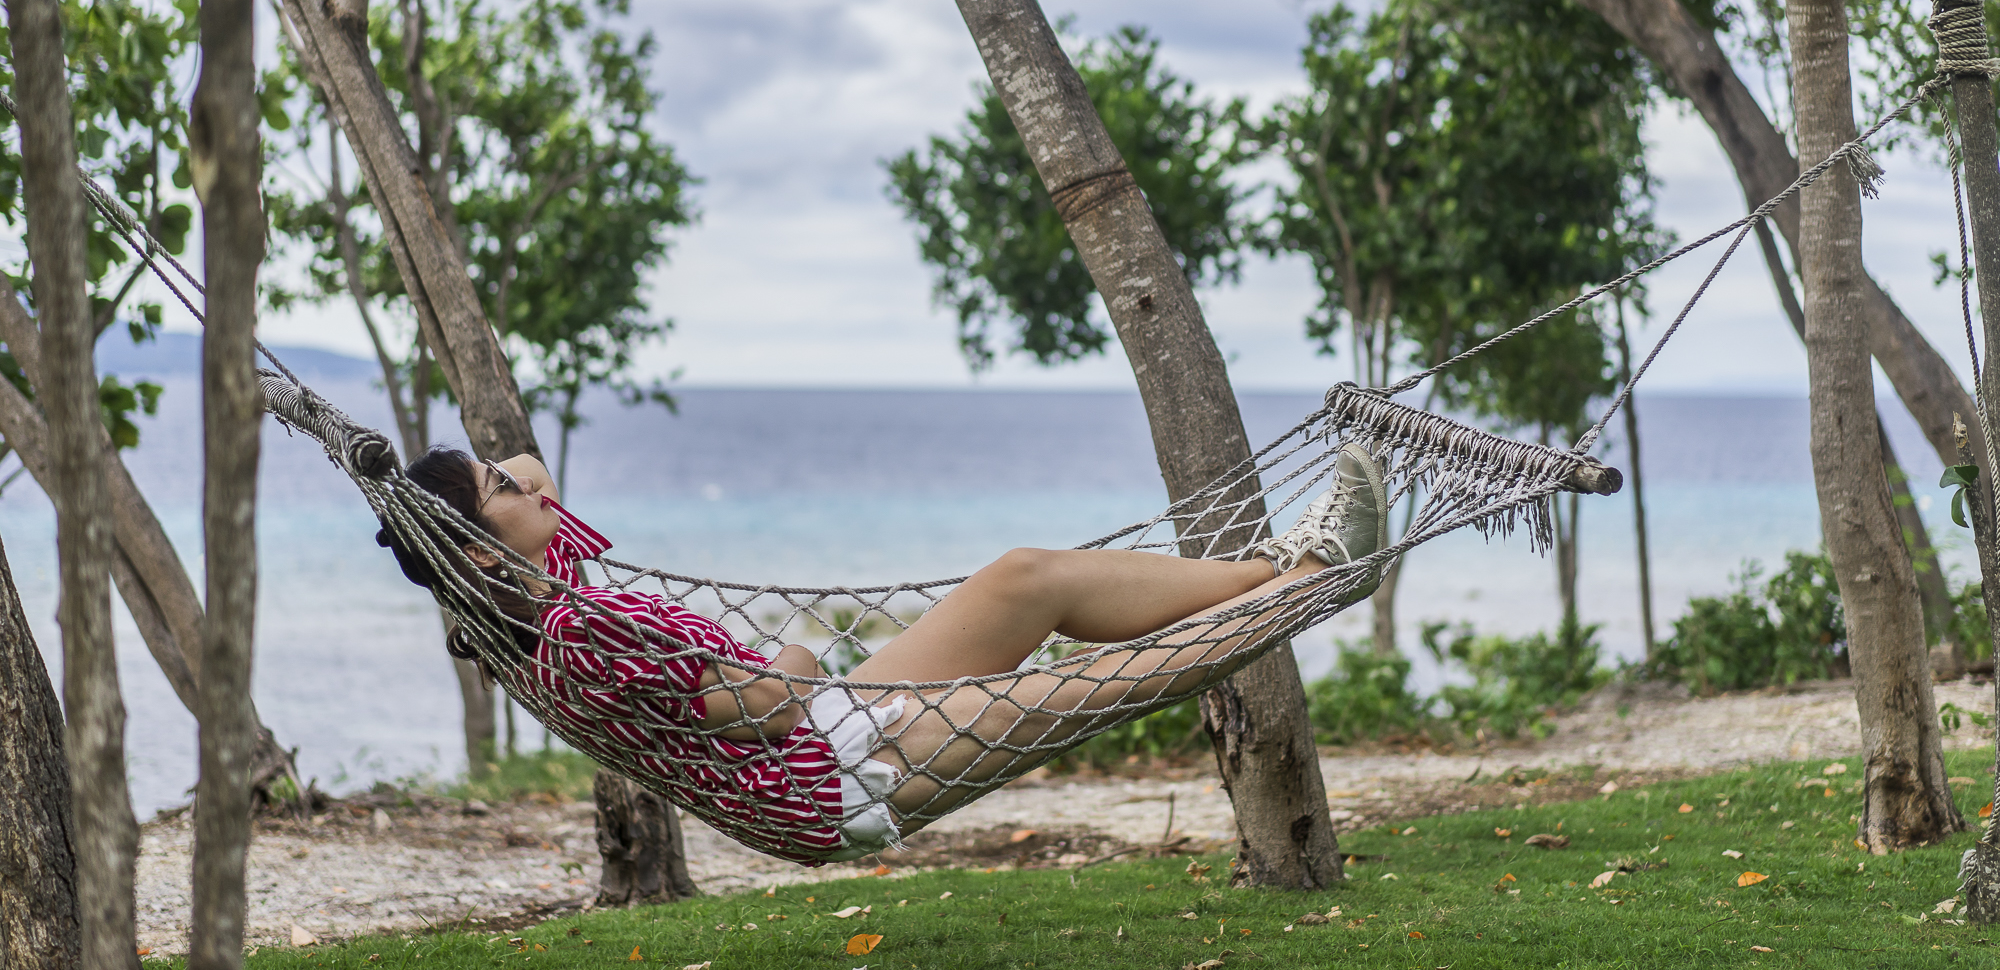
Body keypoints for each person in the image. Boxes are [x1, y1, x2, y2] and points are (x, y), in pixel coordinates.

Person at [387, 445, 1389, 865]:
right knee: (1079, 688)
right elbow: (775, 702)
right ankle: (1320, 580)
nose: (518, 478)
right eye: (493, 486)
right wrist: (799, 639)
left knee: (1022, 578)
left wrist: (403, 481)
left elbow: (531, 474)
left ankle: (1278, 566)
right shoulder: (577, 634)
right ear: (480, 547)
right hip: (824, 778)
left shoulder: (532, 587)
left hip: (824, 731)